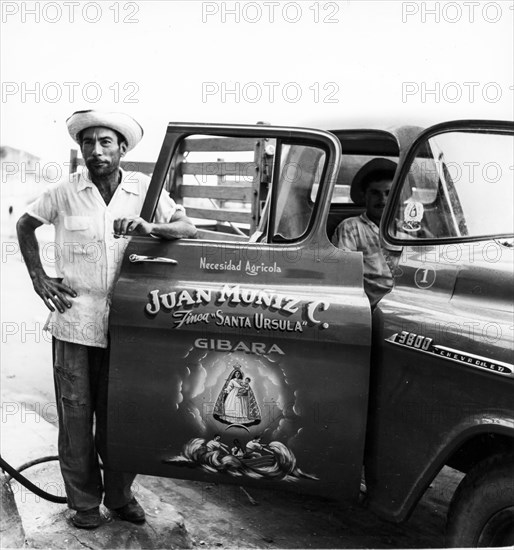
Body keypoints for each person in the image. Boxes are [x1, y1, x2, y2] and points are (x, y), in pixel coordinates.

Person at [16, 110, 197, 529]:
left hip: (129, 323)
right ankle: (82, 504)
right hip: (74, 319)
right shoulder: (64, 192)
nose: (95, 151)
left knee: (121, 416)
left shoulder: (144, 191)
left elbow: (185, 227)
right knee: (76, 417)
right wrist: (40, 278)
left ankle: (119, 498)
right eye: (88, 143)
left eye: (105, 143)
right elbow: (26, 225)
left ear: (122, 149)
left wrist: (149, 226)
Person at [331, 158, 397, 308]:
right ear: (364, 196)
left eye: (388, 193)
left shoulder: (407, 229)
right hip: (370, 304)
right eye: (375, 193)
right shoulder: (351, 228)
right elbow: (345, 274)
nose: (383, 199)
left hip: (407, 300)